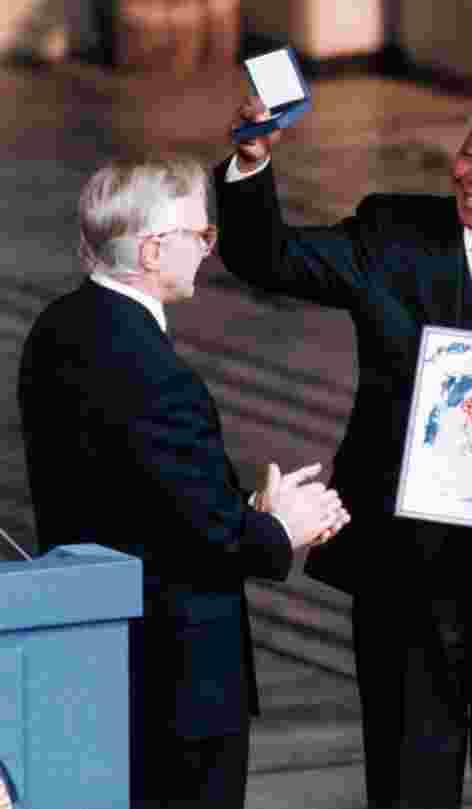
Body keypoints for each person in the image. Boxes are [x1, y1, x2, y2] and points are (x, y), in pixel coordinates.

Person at [214, 88, 472, 808]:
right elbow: (267, 258)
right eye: (471, 154)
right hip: (406, 583)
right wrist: (251, 163)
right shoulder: (390, 233)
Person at [17, 156, 350, 809]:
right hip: (175, 678)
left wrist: (244, 505)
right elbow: (207, 537)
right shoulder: (155, 373)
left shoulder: (58, 326)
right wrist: (282, 526)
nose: (208, 248)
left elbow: (141, 496)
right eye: (200, 234)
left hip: (91, 651)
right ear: (149, 249)